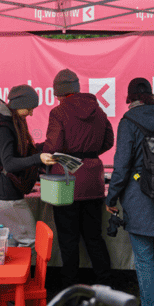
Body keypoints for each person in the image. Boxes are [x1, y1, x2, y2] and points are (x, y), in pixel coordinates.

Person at [104, 78, 154, 306]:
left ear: (130, 97)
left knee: (144, 253)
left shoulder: (129, 122)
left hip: (139, 194)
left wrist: (111, 197)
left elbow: (122, 166)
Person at [43, 69, 114, 289]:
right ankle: (105, 283)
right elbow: (109, 141)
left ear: (59, 93)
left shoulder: (59, 112)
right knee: (94, 237)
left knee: (68, 239)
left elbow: (53, 146)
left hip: (66, 181)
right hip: (93, 181)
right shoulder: (98, 110)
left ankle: (70, 288)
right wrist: (89, 155)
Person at [0, 85, 55, 247]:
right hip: (6, 195)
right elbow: (10, 164)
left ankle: (10, 264)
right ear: (19, 105)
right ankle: (26, 265)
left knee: (13, 240)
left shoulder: (6, 121)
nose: (31, 113)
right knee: (31, 240)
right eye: (29, 108)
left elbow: (17, 153)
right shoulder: (4, 127)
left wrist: (44, 148)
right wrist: (38, 158)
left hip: (0, 192)